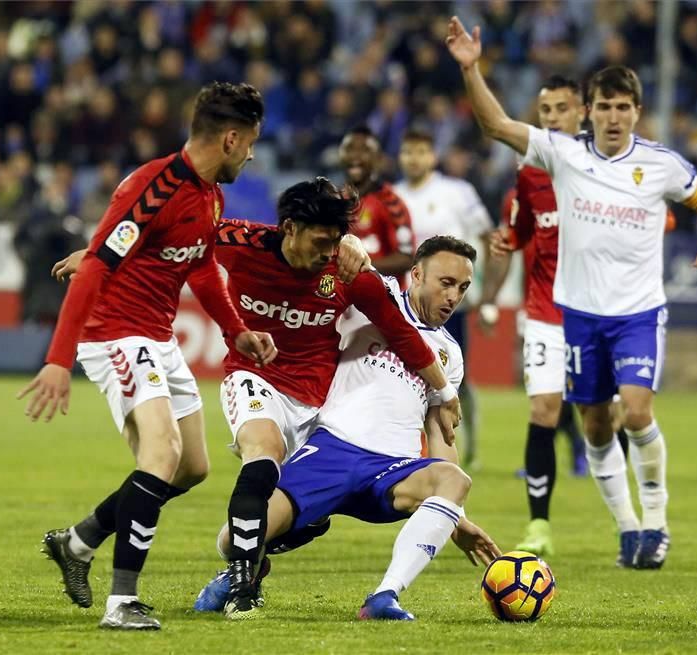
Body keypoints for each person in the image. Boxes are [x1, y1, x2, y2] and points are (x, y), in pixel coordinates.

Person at [446, 17, 697, 569]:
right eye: (606, 107)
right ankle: (627, 529)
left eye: (624, 107)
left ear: (637, 113)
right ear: (590, 111)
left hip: (639, 314)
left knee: (638, 411)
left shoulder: (662, 165)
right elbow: (497, 124)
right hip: (576, 316)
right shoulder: (562, 154)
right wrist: (469, 68)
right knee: (596, 425)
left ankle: (656, 522)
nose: (614, 117)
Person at [17, 82, 278, 630]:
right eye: (250, 142)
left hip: (156, 335)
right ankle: (122, 603)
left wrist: (236, 331)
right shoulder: (151, 188)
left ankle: (79, 542)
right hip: (114, 333)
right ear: (230, 139)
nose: (252, 154)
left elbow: (202, 268)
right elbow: (94, 270)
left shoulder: (211, 194)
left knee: (191, 469)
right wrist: (57, 360)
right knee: (160, 454)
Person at [194, 236, 500, 620]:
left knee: (455, 479)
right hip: (331, 450)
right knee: (231, 538)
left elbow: (442, 436)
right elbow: (341, 253)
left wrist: (457, 518)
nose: (454, 296)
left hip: (392, 471)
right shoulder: (374, 295)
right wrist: (350, 239)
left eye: (463, 287)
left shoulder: (449, 354)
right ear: (417, 274)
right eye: (446, 283)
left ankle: (384, 597)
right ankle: (247, 568)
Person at [476, 75, 591, 557]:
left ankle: (633, 516)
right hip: (544, 311)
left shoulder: (601, 169)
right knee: (543, 409)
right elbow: (519, 233)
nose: (552, 118)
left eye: (561, 109)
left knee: (608, 416)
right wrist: (508, 245)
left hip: (595, 312)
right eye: (545, 111)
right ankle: (539, 523)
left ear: (582, 112)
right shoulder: (528, 175)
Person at [394, 128, 494, 470]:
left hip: (450, 305)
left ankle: (471, 445)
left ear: (432, 156)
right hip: (404, 303)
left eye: (421, 152)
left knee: (454, 376)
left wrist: (484, 294)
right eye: (408, 152)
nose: (414, 159)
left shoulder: (457, 192)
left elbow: (486, 236)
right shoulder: (392, 197)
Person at [339, 125, 415, 281]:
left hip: (381, 299)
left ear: (378, 159)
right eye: (349, 149)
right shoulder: (332, 202)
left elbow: (406, 258)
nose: (355, 156)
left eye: (365, 150)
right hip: (341, 300)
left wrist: (358, 266)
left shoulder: (391, 202)